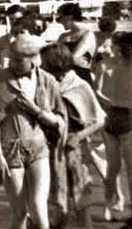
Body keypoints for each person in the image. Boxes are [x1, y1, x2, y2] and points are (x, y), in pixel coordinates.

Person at [0, 33, 66, 229]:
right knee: (20, 212)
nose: (11, 63)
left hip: (39, 148)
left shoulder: (47, 81)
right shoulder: (5, 79)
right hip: (11, 150)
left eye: (17, 59)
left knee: (40, 209)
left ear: (33, 60)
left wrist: (36, 110)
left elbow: (59, 121)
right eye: (11, 58)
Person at [41, 43, 105, 229]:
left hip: (75, 149)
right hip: (53, 148)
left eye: (45, 63)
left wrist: (78, 137)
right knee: (58, 199)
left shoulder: (79, 86)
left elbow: (100, 119)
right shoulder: (49, 84)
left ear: (55, 64)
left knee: (80, 200)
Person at [93, 32, 132, 225]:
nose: (113, 51)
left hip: (123, 117)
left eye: (117, 48)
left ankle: (120, 210)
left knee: (125, 170)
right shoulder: (114, 67)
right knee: (113, 169)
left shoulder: (120, 68)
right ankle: (109, 208)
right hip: (116, 118)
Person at [57, 3, 96, 84]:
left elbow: (74, 57)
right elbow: (55, 56)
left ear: (69, 17)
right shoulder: (63, 36)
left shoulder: (87, 34)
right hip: (64, 77)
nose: (59, 21)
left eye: (61, 17)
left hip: (81, 76)